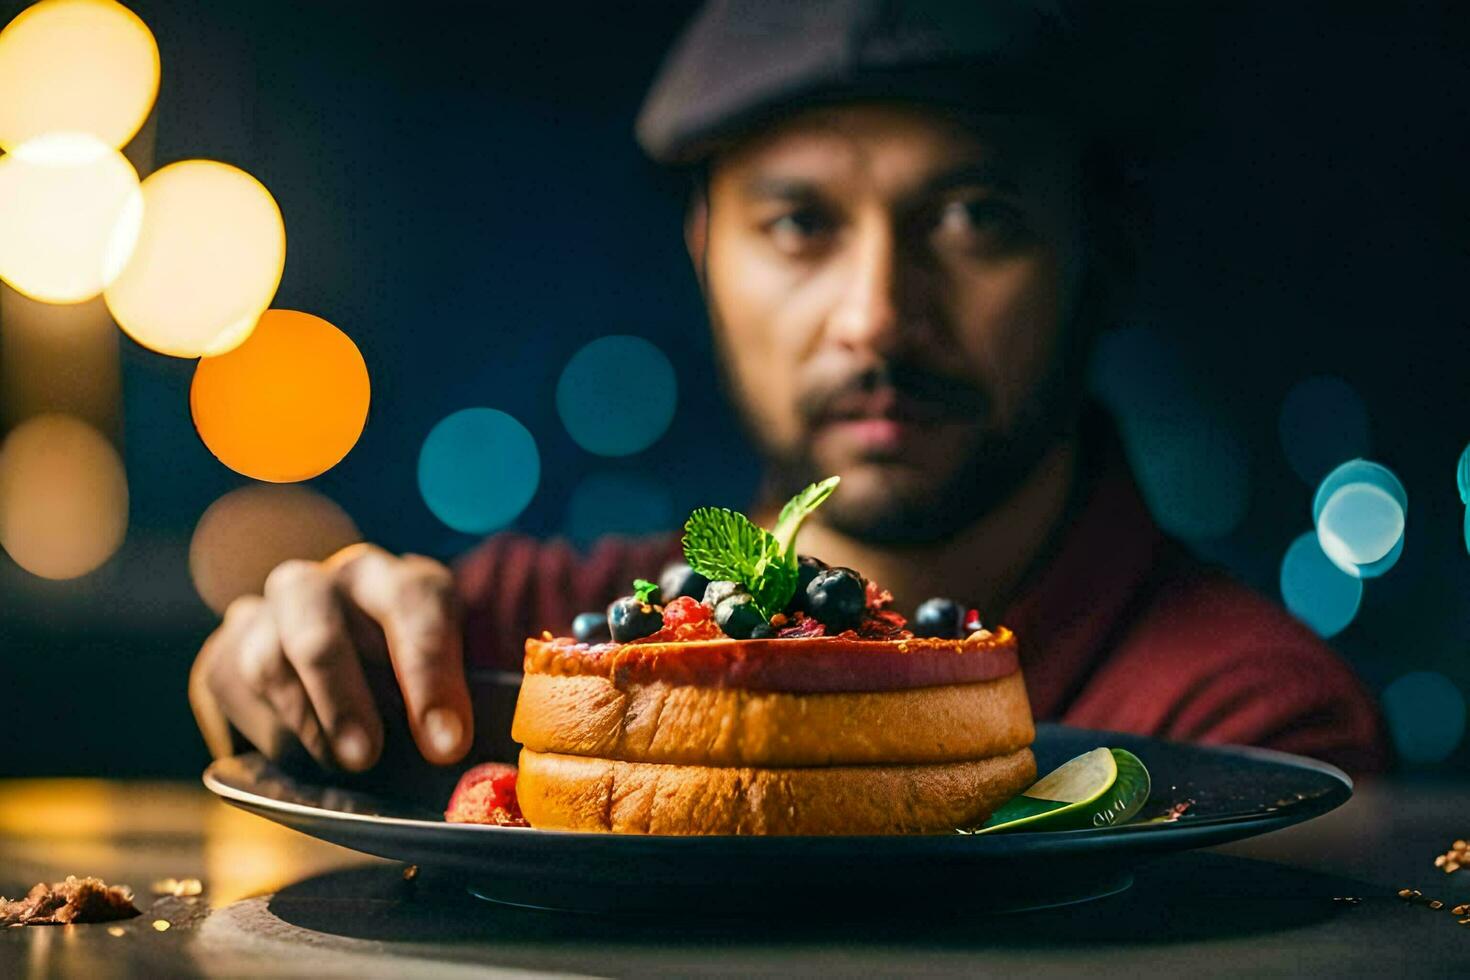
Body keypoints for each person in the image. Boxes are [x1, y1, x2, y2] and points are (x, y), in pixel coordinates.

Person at [189, 0, 1388, 778]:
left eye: (976, 218)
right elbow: (306, 702)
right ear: (706, 248)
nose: (876, 314)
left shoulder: (1247, 728)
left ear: (1101, 253)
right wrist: (291, 671)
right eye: (801, 221)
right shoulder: (532, 640)